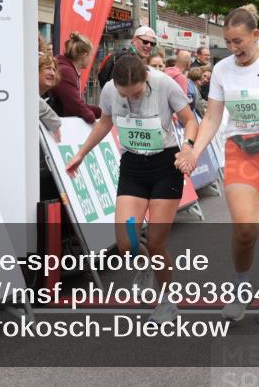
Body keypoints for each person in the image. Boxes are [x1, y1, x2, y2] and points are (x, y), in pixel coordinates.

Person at [176, 4, 259, 325]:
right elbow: (212, 117)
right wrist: (194, 149)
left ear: (255, 35)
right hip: (240, 153)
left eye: (239, 41)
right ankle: (239, 290)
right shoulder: (222, 69)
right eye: (228, 41)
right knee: (245, 229)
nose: (233, 48)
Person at [65, 54, 198, 323]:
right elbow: (105, 122)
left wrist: (188, 147)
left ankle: (166, 302)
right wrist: (82, 153)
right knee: (127, 243)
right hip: (133, 167)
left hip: (165, 165)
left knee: (158, 242)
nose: (131, 99)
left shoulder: (164, 84)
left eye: (136, 93)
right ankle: (145, 267)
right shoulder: (110, 90)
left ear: (145, 79)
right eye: (125, 95)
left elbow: (190, 120)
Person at [53, 33, 102, 123]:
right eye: (90, 55)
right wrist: (93, 121)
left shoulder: (67, 69)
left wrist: (100, 112)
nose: (91, 58)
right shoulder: (66, 71)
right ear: (84, 55)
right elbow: (75, 105)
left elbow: (77, 103)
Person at [38, 53, 62, 142]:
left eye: (54, 70)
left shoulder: (49, 96)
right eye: (48, 68)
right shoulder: (24, 91)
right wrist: (54, 122)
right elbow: (33, 102)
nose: (52, 73)